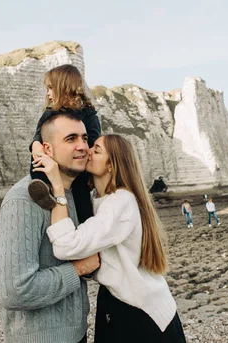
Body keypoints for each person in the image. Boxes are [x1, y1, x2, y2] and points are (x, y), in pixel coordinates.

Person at [34, 134, 186, 343]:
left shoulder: (120, 202)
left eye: (96, 150)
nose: (87, 151)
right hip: (122, 301)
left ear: (111, 165)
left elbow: (65, 246)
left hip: (140, 312)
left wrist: (57, 187)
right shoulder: (99, 200)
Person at [0, 112, 100, 343]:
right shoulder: (23, 200)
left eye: (85, 138)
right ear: (47, 149)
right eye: (71, 139)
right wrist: (79, 269)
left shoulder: (74, 197)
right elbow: (15, 291)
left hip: (76, 333)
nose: (83, 146)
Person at [28, 64, 101, 225]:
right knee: (38, 162)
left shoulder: (89, 115)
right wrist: (35, 144)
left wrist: (91, 173)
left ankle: (85, 230)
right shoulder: (50, 113)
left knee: (83, 207)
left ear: (63, 87)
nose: (48, 93)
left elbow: (93, 142)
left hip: (78, 170)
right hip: (50, 160)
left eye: (50, 88)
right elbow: (39, 133)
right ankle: (42, 187)